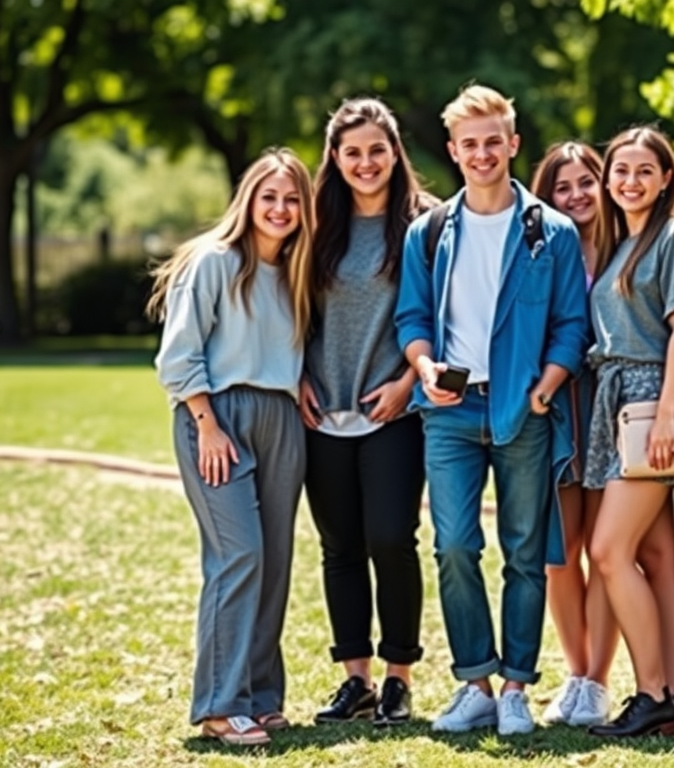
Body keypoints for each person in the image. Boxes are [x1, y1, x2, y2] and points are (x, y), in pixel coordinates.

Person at [395, 84, 588, 736]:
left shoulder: (550, 233)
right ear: (453, 151)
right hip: (448, 411)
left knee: (526, 554)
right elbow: (412, 318)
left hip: (523, 408)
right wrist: (423, 368)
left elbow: (570, 322)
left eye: (492, 141)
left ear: (513, 143)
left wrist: (548, 384)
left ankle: (516, 689)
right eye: (469, 144)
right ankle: (474, 682)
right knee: (452, 545)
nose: (482, 153)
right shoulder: (427, 232)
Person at [148, 147, 314, 746]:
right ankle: (219, 706)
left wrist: (301, 387)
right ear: (248, 200)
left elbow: (285, 350)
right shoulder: (214, 262)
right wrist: (207, 424)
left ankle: (261, 697)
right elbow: (178, 355)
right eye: (269, 196)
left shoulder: (295, 273)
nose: (280, 207)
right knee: (238, 555)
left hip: (281, 419)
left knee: (273, 562)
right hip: (216, 415)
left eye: (292, 198)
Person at [300, 98, 434, 726]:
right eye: (352, 152)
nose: (365, 162)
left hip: (394, 411)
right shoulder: (315, 225)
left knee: (390, 536)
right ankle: (355, 680)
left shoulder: (426, 225)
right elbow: (294, 312)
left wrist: (409, 381)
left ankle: (398, 677)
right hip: (324, 412)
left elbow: (448, 319)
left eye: (376, 149)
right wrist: (297, 375)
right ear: (334, 157)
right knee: (340, 547)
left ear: (395, 151)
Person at [578, 127, 674, 738]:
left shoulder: (673, 238)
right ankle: (673, 702)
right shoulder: (620, 242)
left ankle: (652, 691)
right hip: (617, 406)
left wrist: (663, 414)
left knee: (607, 550)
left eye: (643, 171)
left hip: (648, 405)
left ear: (664, 179)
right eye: (620, 170)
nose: (629, 180)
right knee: (654, 554)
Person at [531, 141, 619, 728]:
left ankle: (598, 681)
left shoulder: (628, 245)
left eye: (586, 181)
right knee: (559, 556)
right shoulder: (541, 249)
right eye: (562, 187)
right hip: (558, 407)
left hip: (613, 408)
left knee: (606, 551)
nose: (576, 195)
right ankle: (576, 672)